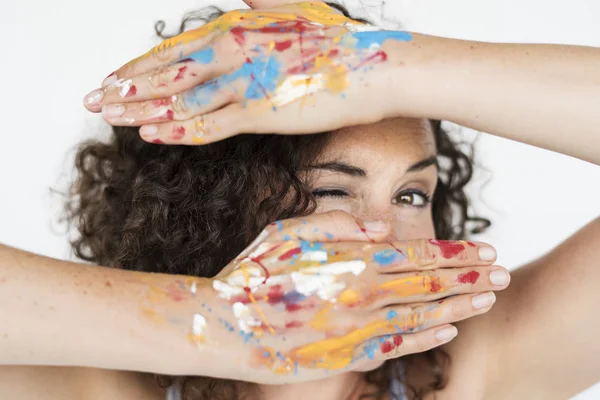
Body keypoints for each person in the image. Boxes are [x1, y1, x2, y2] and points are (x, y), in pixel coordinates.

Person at [1, 1, 598, 399]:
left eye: (413, 194)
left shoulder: (469, 372)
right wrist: (228, 327)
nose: (388, 234)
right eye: (333, 190)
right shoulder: (91, 385)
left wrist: (383, 66)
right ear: (210, 210)